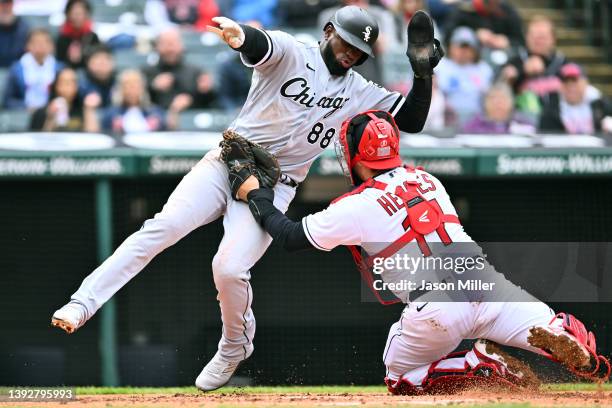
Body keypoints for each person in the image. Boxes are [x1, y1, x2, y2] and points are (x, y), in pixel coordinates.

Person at [50, 7, 443, 392]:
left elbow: (409, 121)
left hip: (276, 183)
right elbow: (258, 45)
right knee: (164, 226)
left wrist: (422, 75)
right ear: (328, 30)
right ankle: (83, 302)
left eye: (360, 51)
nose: (351, 53)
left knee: (229, 267)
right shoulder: (293, 51)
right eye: (347, 42)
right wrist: (240, 35)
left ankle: (234, 344)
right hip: (228, 163)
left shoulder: (358, 89)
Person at [232, 109, 610, 394]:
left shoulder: (356, 205)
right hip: (489, 287)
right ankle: (562, 337)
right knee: (547, 328)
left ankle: (475, 364)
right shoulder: (426, 178)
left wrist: (258, 196)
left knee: (398, 379)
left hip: (436, 307)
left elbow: (290, 237)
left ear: (357, 159)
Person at [142, 28, 217, 113]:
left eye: (173, 44)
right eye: (165, 44)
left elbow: (211, 104)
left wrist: (206, 92)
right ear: (157, 47)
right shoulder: (147, 73)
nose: (170, 49)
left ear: (182, 46)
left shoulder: (196, 72)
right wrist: (153, 87)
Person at [435, 26, 493, 127]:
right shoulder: (439, 66)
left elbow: (489, 97)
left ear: (475, 50)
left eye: (468, 47)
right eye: (460, 46)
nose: (463, 51)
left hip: (477, 119)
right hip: (445, 117)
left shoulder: (484, 69)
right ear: (451, 46)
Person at [500, 15, 566, 104]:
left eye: (542, 37)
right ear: (526, 37)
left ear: (553, 39)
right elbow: (499, 91)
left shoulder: (563, 63)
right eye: (534, 36)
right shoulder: (515, 61)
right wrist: (522, 72)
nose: (538, 41)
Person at [539, 63, 612, 135]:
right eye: (566, 82)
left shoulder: (601, 105)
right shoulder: (550, 110)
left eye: (575, 81)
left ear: (585, 83)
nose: (570, 87)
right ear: (560, 86)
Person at [2, 29, 64, 110]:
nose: (41, 45)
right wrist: (26, 107)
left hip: (52, 113)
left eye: (45, 42)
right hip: (23, 114)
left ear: (52, 46)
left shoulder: (60, 68)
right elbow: (7, 101)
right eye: (36, 42)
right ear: (27, 45)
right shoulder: (16, 69)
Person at [30, 67, 100, 132]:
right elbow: (39, 140)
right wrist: (50, 118)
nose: (69, 86)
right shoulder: (41, 113)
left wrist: (89, 110)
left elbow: (92, 136)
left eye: (73, 82)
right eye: (65, 82)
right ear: (56, 85)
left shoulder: (82, 110)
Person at [101, 69, 167, 134]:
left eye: (135, 86)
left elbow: (166, 128)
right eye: (127, 87)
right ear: (120, 90)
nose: (132, 91)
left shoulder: (154, 112)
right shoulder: (111, 113)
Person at [444, 0, 524, 53]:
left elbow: (520, 41)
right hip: (468, 57)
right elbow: (447, 34)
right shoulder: (464, 9)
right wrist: (475, 34)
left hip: (499, 55)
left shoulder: (507, 11)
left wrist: (507, 41)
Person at [462, 82, 535, 134]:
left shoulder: (522, 122)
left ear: (512, 102)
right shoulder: (473, 125)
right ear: (484, 102)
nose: (497, 103)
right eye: (493, 98)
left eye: (502, 98)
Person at [55, 0, 100, 69]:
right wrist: (70, 58)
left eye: (80, 13)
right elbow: (59, 60)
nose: (77, 17)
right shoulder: (62, 38)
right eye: (74, 13)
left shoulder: (93, 37)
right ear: (68, 14)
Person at [0, 0, 29, 68]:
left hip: (17, 66)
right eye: (3, 4)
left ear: (12, 5)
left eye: (8, 4)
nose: (6, 7)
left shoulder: (23, 26)